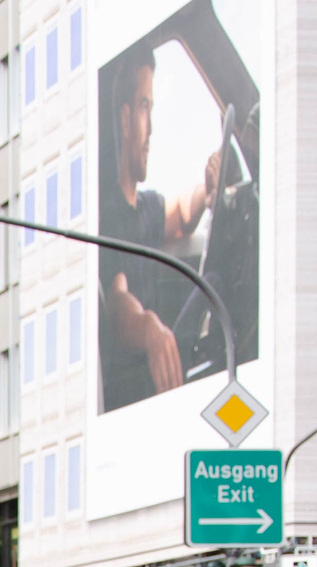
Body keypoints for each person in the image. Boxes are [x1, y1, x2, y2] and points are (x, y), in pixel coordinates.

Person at [99, 42, 223, 409]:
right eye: (144, 107)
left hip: (154, 375)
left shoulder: (146, 207)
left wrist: (209, 188)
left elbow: (182, 213)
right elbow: (117, 301)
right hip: (134, 386)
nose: (151, 128)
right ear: (125, 120)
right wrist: (149, 329)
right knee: (216, 284)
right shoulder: (107, 215)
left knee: (213, 284)